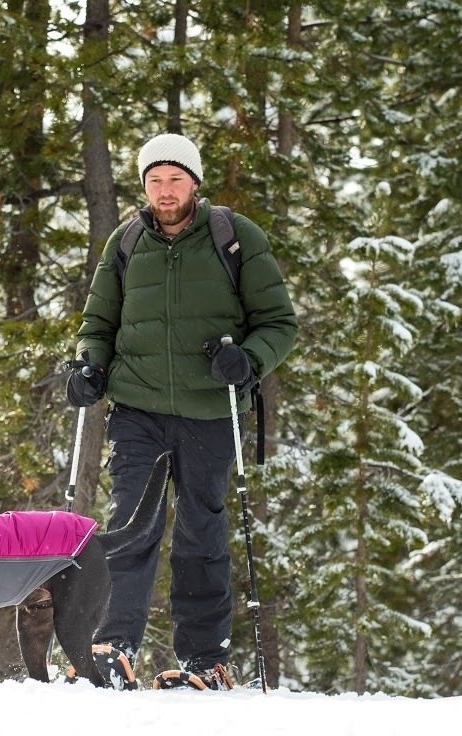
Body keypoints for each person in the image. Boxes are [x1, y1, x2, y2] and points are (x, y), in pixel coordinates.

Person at [68, 133, 297, 690]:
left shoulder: (234, 237)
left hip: (209, 411)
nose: (165, 191)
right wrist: (89, 367)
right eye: (155, 180)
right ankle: (111, 649)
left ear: (194, 183)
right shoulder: (126, 242)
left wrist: (248, 359)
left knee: (201, 533)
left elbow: (278, 324)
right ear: (144, 186)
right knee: (129, 526)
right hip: (138, 409)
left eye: (175, 179)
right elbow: (99, 324)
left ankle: (205, 661)